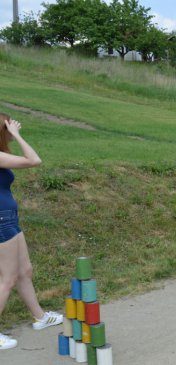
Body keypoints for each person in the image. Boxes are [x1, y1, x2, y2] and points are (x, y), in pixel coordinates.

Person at [0, 113, 63, 351]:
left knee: (25, 271)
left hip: (9, 218)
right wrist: (17, 134)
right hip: (1, 220)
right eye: (9, 129)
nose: (12, 133)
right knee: (7, 278)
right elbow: (34, 160)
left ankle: (40, 317)